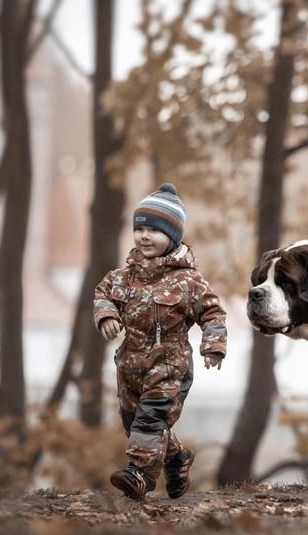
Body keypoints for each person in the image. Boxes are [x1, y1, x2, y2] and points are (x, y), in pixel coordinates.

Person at [93, 183, 227, 500]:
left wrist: (214, 345)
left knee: (150, 420)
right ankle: (177, 458)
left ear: (172, 235)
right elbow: (103, 294)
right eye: (140, 228)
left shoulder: (188, 281)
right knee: (134, 424)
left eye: (154, 229)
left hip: (169, 367)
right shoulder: (122, 276)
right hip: (129, 366)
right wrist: (107, 315)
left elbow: (213, 314)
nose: (144, 235)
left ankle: (139, 476)